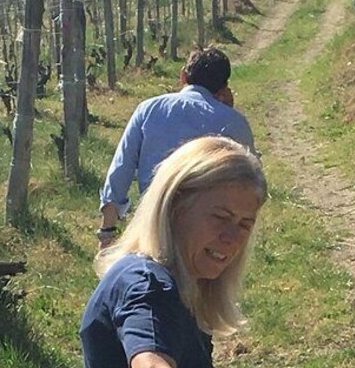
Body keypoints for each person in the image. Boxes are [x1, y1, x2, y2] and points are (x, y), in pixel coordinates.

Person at [81, 136, 267, 368]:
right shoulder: (147, 286)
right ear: (177, 205)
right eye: (220, 217)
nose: (232, 239)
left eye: (245, 224)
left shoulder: (180, 285)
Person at [98, 47, 255, 249]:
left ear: (183, 76)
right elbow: (249, 180)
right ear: (224, 87)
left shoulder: (148, 110)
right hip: (208, 231)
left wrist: (107, 231)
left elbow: (121, 169)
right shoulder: (234, 122)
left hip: (153, 221)